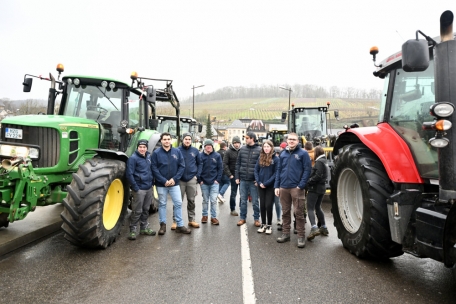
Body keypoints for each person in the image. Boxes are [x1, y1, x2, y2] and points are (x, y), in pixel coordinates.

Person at [274, 132, 311, 248]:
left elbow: (307, 170)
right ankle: (286, 234)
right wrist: (277, 186)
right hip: (284, 187)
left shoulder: (303, 154)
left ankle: (301, 236)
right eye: (290, 139)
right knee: (285, 212)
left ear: (298, 141)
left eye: (294, 139)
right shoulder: (283, 153)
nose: (291, 141)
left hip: (296, 188)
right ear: (287, 140)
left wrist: (301, 185)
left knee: (298, 213)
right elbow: (279, 170)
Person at [151, 132, 191, 235]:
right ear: (161, 141)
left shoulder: (176, 152)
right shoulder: (156, 153)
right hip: (161, 184)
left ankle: (180, 225)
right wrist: (163, 180)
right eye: (164, 139)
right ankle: (162, 225)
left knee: (178, 203)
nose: (167, 141)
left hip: (175, 183)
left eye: (168, 139)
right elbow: (154, 168)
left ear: (171, 140)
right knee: (162, 204)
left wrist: (174, 179)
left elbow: (182, 166)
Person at [125, 139, 156, 240]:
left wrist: (152, 183)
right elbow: (129, 174)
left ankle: (144, 228)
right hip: (139, 189)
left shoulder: (148, 157)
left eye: (144, 147)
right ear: (137, 148)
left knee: (146, 209)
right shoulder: (133, 158)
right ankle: (133, 230)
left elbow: (151, 170)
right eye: (140, 147)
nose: (142, 149)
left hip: (148, 188)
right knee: (137, 210)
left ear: (147, 148)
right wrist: (135, 187)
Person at [172, 132, 202, 230]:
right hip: (179, 180)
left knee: (191, 200)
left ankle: (191, 220)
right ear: (182, 140)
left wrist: (197, 176)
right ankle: (176, 221)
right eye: (186, 139)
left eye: (189, 139)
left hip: (191, 179)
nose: (187, 141)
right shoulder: (177, 150)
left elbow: (200, 164)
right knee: (178, 201)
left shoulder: (195, 151)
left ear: (191, 140)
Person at [236, 131, 261, 227]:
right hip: (243, 179)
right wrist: (237, 177)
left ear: (252, 139)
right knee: (243, 200)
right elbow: (238, 164)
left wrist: (258, 179)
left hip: (254, 181)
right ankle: (242, 218)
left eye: (247, 138)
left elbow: (261, 166)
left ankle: (256, 219)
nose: (245, 139)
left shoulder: (259, 150)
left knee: (255, 201)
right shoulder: (242, 149)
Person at [254, 140, 279, 235]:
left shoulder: (276, 159)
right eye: (264, 147)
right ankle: (263, 224)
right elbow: (256, 170)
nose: (266, 148)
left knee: (268, 205)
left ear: (271, 147)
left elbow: (276, 173)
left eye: (268, 146)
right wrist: (259, 181)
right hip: (260, 185)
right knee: (262, 205)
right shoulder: (260, 157)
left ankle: (269, 225)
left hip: (270, 186)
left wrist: (266, 183)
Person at [306, 146, 329, 240]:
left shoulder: (319, 162)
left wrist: (308, 182)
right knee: (318, 207)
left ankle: (314, 228)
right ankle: (323, 227)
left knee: (310, 208)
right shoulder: (325, 161)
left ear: (316, 153)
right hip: (322, 188)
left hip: (314, 188)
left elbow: (318, 175)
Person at [199, 139, 223, 225]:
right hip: (204, 182)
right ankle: (204, 216)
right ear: (204, 146)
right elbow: (198, 168)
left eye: (210, 145)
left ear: (212, 146)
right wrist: (200, 180)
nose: (208, 147)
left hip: (214, 182)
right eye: (206, 145)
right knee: (205, 200)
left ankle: (213, 217)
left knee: (213, 200)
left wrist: (218, 180)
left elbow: (220, 168)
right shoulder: (200, 156)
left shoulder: (217, 156)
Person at [224, 136, 241, 216]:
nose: (236, 144)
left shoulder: (242, 150)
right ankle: (232, 209)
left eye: (237, 143)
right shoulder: (228, 152)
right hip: (233, 176)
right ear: (233, 143)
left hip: (242, 176)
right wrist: (229, 175)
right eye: (235, 143)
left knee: (243, 194)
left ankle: (242, 208)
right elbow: (225, 164)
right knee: (233, 193)